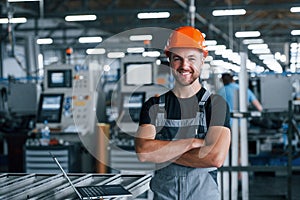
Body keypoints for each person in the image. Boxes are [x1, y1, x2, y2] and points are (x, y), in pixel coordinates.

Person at [135, 26, 231, 200]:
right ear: (170, 60)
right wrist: (192, 143)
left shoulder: (216, 105)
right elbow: (143, 152)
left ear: (202, 60)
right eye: (177, 59)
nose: (184, 66)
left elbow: (215, 158)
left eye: (191, 59)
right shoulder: (153, 105)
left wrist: (163, 152)